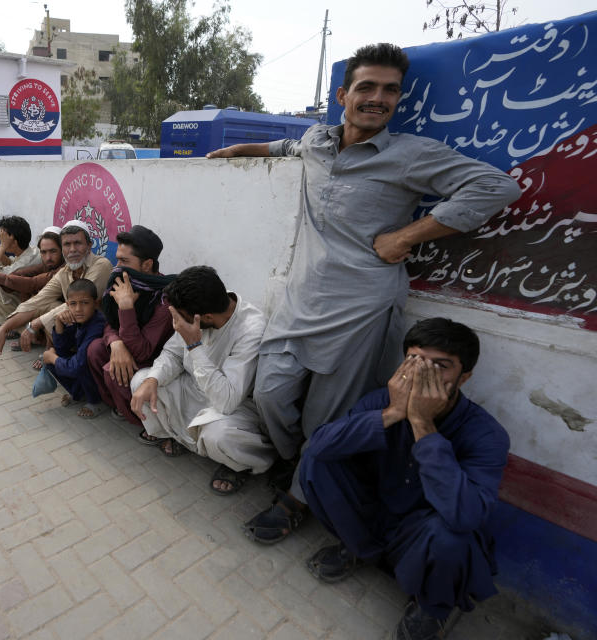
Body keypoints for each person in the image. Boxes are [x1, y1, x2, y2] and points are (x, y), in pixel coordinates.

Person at [206, 43, 520, 539]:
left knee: (326, 416)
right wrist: (234, 151)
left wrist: (407, 236)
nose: (378, 98)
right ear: (342, 95)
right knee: (270, 394)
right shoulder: (316, 140)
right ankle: (298, 464)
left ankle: (297, 499)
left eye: (390, 90)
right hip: (299, 302)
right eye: (367, 87)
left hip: (361, 310)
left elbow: (497, 187)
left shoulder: (412, 154)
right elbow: (280, 148)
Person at [298, 318, 508, 640]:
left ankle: (431, 605)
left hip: (422, 530)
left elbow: (467, 514)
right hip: (376, 510)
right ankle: (359, 548)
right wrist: (393, 413)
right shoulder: (380, 401)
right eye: (414, 361)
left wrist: (423, 423)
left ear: (464, 377)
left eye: (440, 366)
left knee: (455, 539)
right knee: (317, 461)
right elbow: (321, 444)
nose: (423, 374)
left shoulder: (486, 434)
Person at [130, 266, 276, 495]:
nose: (178, 322)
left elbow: (226, 400)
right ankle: (182, 437)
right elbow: (173, 354)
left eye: (182, 318)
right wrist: (153, 378)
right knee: (142, 382)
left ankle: (238, 465)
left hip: (233, 408)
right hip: (194, 389)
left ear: (206, 318)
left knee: (219, 436)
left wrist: (194, 346)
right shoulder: (201, 304)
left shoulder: (251, 329)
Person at [0, 220, 111, 363]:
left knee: (55, 310)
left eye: (77, 243)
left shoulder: (101, 265)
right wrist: (3, 329)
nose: (72, 250)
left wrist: (34, 325)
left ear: (89, 246)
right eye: (67, 244)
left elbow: (80, 302)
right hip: (76, 328)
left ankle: (62, 356)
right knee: (47, 305)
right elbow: (38, 301)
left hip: (98, 331)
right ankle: (62, 353)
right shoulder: (65, 272)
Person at [87, 226, 175, 423]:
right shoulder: (126, 283)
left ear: (147, 265)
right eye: (117, 259)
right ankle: (121, 407)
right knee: (95, 349)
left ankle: (148, 424)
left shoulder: (164, 301)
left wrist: (126, 306)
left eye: (124, 261)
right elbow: (110, 322)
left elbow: (143, 352)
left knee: (113, 370)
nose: (117, 267)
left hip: (155, 360)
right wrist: (115, 342)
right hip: (128, 344)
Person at [41, 278, 107, 416]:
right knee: (52, 359)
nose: (78, 309)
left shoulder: (97, 325)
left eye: (85, 303)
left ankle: (95, 401)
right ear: (67, 305)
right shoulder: (79, 319)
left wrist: (53, 358)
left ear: (95, 303)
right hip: (81, 365)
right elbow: (62, 349)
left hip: (101, 375)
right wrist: (59, 323)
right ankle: (78, 394)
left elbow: (77, 366)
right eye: (73, 304)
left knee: (73, 363)